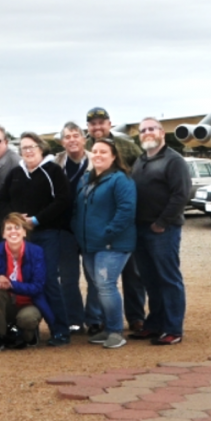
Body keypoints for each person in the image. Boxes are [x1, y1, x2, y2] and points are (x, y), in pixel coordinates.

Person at [0, 132, 72, 346]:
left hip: (47, 234)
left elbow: (63, 200)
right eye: (24, 148)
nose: (28, 151)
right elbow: (2, 200)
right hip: (21, 237)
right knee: (22, 280)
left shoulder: (53, 171)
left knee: (47, 280)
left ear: (41, 148)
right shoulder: (15, 173)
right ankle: (29, 329)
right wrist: (15, 219)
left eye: (32, 147)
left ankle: (60, 329)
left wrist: (37, 220)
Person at [86, 107, 147, 334]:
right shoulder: (86, 147)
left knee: (132, 274)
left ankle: (136, 318)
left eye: (101, 122)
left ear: (110, 124)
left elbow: (141, 171)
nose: (97, 127)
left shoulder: (125, 145)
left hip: (122, 219)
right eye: (93, 124)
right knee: (98, 279)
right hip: (96, 220)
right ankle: (103, 319)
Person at [131, 117, 191, 345]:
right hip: (141, 229)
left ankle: (173, 328)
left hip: (163, 230)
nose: (147, 132)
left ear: (162, 132)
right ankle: (154, 324)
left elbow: (181, 195)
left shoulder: (174, 161)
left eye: (151, 128)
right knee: (150, 280)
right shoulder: (141, 160)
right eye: (143, 130)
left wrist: (162, 222)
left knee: (168, 279)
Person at [71, 138, 137, 349]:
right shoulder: (86, 180)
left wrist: (108, 233)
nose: (98, 155)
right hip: (89, 244)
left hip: (112, 244)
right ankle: (108, 329)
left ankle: (116, 331)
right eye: (95, 151)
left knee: (106, 286)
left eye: (104, 152)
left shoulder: (121, 180)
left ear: (114, 156)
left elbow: (126, 210)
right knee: (99, 287)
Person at [0, 213, 54, 351]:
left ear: (24, 232)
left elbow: (38, 286)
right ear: (3, 234)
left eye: (17, 227)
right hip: (7, 301)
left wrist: (11, 284)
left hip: (29, 302)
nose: (13, 231)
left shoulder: (36, 251)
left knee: (27, 319)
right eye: (9, 228)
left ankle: (28, 333)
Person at [54, 122, 96, 335]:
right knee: (68, 278)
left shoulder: (95, 161)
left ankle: (95, 318)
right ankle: (74, 319)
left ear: (84, 138)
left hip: (90, 229)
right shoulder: (55, 163)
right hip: (65, 229)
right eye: (67, 136)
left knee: (94, 277)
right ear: (62, 142)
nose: (72, 139)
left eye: (75, 135)